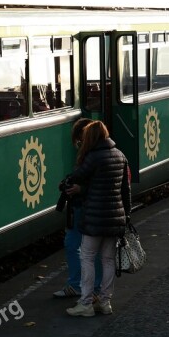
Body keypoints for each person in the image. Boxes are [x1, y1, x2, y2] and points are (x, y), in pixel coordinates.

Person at [64, 120, 130, 317]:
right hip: (115, 217)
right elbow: (125, 190)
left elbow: (76, 177)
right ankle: (105, 302)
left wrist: (74, 186)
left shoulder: (93, 157)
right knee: (108, 259)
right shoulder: (120, 155)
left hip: (94, 216)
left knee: (87, 258)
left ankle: (85, 303)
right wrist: (126, 216)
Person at [53, 118, 104, 298]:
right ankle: (84, 285)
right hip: (83, 206)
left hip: (87, 206)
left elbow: (103, 182)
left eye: (80, 139)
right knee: (79, 245)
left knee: (84, 247)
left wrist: (80, 188)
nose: (79, 143)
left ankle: (87, 286)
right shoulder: (93, 154)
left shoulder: (94, 155)